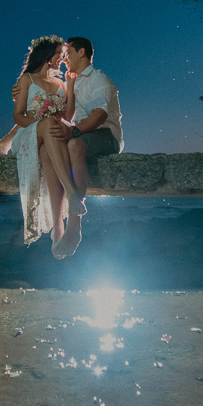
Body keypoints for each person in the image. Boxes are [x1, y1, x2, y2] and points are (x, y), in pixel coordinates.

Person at [46, 36, 122, 258]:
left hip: (106, 135)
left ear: (82, 52)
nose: (65, 58)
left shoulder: (100, 80)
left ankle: (74, 226)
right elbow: (64, 114)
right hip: (78, 134)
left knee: (74, 145)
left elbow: (99, 116)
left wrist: (74, 131)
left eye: (68, 53)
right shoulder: (70, 82)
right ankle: (57, 221)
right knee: (51, 148)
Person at [9, 35, 81, 258]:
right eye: (59, 54)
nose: (61, 58)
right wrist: (42, 124)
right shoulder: (27, 80)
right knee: (50, 125)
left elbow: (68, 115)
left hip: (51, 139)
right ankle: (72, 192)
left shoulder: (60, 83)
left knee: (46, 154)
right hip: (29, 133)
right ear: (47, 55)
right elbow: (18, 117)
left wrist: (69, 85)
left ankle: (58, 228)